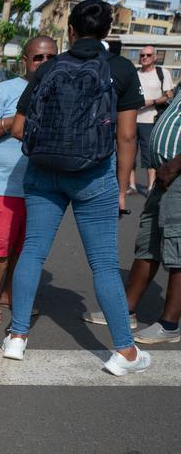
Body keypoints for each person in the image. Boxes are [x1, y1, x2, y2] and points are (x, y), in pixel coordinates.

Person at [6, 0, 150, 376]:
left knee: (33, 252)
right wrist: (121, 188)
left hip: (43, 172)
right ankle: (124, 353)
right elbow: (128, 135)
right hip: (93, 177)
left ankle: (17, 338)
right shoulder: (119, 69)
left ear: (69, 30)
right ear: (107, 33)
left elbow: (19, 128)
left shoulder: (50, 67)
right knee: (103, 263)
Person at [82, 87, 181, 343]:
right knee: (147, 241)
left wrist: (174, 165)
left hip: (176, 173)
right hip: (165, 174)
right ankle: (125, 310)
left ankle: (169, 324)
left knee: (178, 247)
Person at [0, 36, 58, 325]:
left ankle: (11, 293)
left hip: (44, 185)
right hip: (5, 183)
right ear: (25, 61)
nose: (44, 63)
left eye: (50, 58)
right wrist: (15, 121)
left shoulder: (63, 92)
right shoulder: (6, 90)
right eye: (38, 58)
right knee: (1, 241)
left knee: (26, 246)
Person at [129, 46, 174, 195]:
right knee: (130, 153)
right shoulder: (134, 74)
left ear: (155, 57)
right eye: (142, 55)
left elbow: (169, 95)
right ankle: (131, 185)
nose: (144, 57)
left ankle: (150, 187)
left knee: (149, 156)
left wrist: (152, 101)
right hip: (133, 119)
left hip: (151, 120)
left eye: (148, 55)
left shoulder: (162, 73)